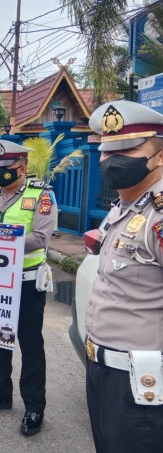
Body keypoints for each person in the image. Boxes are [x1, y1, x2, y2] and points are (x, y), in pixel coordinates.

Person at [84, 100, 163, 452]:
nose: (113, 160)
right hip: (102, 369)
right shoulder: (125, 206)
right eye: (107, 151)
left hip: (142, 380)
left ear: (159, 156)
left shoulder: (158, 216)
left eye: (130, 149)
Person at [0, 140, 57, 437]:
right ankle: (0, 393)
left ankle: (34, 406)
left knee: (31, 344)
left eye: (6, 169)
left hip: (26, 282)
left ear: (22, 168)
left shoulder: (41, 196)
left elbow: (39, 238)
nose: (1, 174)